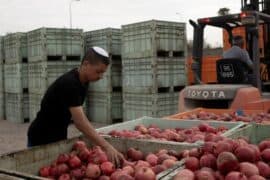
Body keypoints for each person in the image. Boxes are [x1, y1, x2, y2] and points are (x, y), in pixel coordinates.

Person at [27, 46, 124, 166]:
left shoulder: (84, 81)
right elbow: (80, 122)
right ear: (86, 64)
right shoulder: (70, 83)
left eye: (103, 73)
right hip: (41, 137)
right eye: (98, 71)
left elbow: (78, 113)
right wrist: (106, 146)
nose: (100, 76)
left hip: (58, 136)